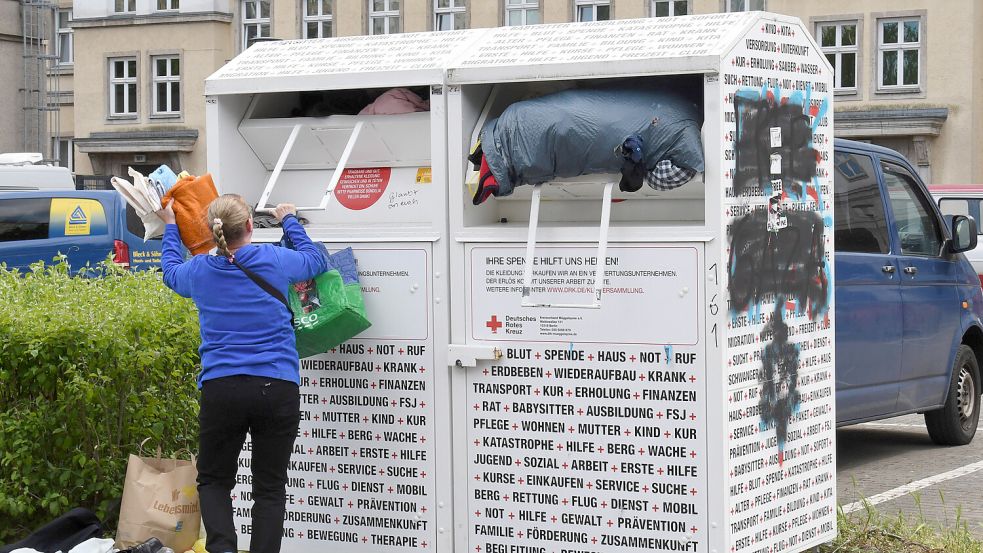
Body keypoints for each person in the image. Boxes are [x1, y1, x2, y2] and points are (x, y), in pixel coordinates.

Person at [156, 194, 326, 553]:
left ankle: (222, 548)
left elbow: (170, 272)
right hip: (277, 387)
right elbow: (315, 260)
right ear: (250, 225)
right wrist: (289, 220)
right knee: (270, 487)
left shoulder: (200, 270)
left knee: (214, 480)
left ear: (211, 230)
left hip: (222, 388)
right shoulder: (274, 259)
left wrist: (170, 226)